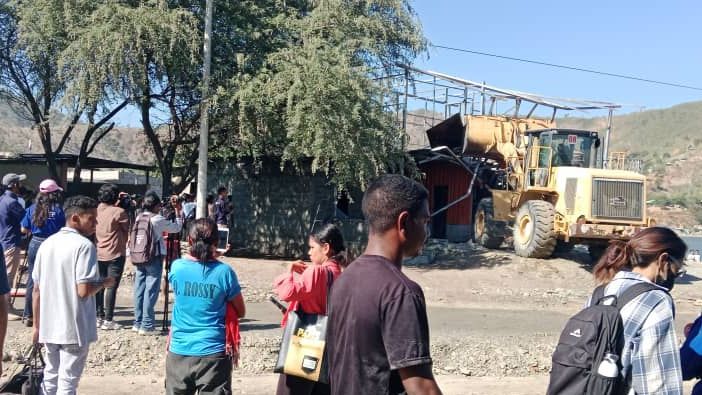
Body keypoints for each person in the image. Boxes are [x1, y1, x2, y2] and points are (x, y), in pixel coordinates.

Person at [327, 174, 442, 395]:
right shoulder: (401, 293)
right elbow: (422, 388)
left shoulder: (343, 281)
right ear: (404, 223)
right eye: (425, 222)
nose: (427, 232)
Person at [31, 195, 116, 394]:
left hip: (49, 325)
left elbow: (36, 290)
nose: (96, 223)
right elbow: (83, 290)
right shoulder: (84, 246)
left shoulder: (47, 244)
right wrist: (104, 282)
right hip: (73, 327)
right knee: (68, 382)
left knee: (50, 377)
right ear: (75, 218)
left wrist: (37, 326)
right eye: (92, 218)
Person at [589, 227, 686, 394]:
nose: (676, 276)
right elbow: (658, 381)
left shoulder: (601, 292)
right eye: (678, 270)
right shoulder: (656, 300)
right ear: (663, 260)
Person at [166, 218, 245, 395]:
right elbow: (241, 311)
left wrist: (209, 256)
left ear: (190, 241)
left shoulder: (177, 267)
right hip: (213, 354)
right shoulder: (224, 272)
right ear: (216, 243)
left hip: (179, 350)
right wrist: (214, 258)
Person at [274, 223, 346, 395]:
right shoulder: (341, 273)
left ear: (326, 248)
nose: (309, 252)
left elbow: (287, 292)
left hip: (305, 343)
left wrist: (289, 271)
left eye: (312, 247)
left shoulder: (316, 272)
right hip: (330, 345)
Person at [132, 191, 182, 335]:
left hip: (139, 256)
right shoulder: (157, 219)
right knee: (151, 290)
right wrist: (178, 211)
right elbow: (176, 228)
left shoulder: (139, 217)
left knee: (139, 289)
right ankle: (147, 325)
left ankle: (137, 322)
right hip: (153, 257)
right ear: (155, 205)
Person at [20, 179, 65, 327]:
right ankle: (48, 314)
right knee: (53, 279)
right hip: (54, 244)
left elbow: (24, 230)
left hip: (35, 243)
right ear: (54, 194)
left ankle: (29, 315)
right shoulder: (59, 210)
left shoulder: (32, 208)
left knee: (33, 279)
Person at [95, 184, 130, 330]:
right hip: (115, 253)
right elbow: (127, 228)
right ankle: (109, 320)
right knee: (111, 287)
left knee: (99, 286)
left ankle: (98, 317)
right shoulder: (119, 212)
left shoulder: (96, 209)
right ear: (115, 197)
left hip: (98, 252)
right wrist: (124, 206)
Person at [0, 173, 26, 314]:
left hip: (3, 239)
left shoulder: (2, 199)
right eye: (19, 183)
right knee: (9, 276)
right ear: (15, 185)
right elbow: (26, 219)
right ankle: (7, 308)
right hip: (11, 242)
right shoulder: (13, 203)